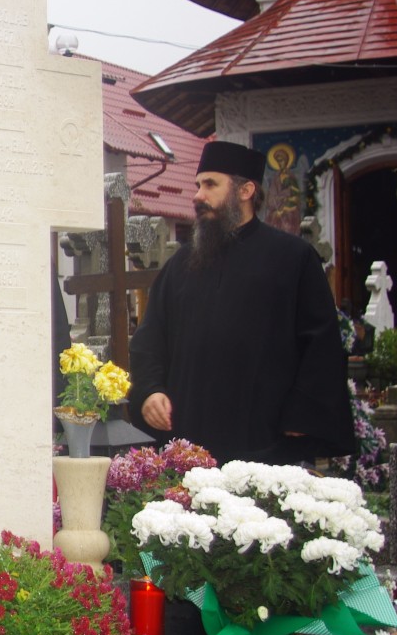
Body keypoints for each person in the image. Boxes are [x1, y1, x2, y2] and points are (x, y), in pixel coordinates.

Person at [129, 141, 354, 464]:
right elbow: (150, 339)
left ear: (246, 190)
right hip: (189, 440)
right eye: (198, 185)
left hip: (264, 436)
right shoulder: (181, 264)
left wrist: (303, 411)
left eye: (210, 184)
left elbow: (320, 342)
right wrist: (151, 390)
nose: (197, 195)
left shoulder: (293, 258)